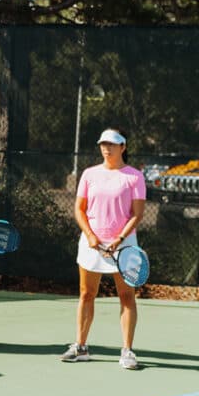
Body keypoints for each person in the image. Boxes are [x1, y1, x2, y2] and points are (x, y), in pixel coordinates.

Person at [63, 128, 146, 369]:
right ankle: (81, 347)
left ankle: (127, 351)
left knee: (126, 296)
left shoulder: (134, 177)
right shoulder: (89, 174)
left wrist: (119, 239)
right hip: (92, 244)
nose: (106, 148)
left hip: (124, 245)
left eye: (112, 144)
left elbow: (138, 213)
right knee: (86, 294)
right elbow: (79, 209)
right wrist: (90, 235)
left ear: (123, 147)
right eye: (103, 144)